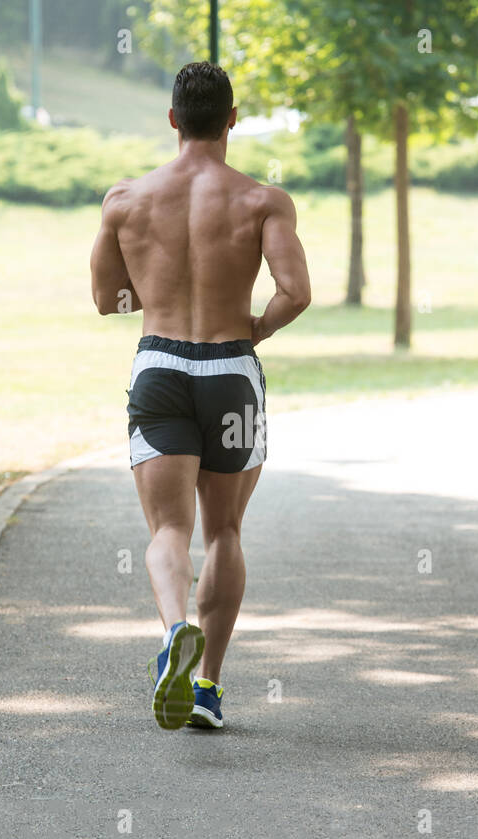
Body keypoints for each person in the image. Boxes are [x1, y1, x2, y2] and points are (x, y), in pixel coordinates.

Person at [89, 62, 311, 731]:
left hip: (160, 365)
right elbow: (295, 291)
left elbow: (106, 300)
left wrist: (159, 295)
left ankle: (172, 631)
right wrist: (257, 326)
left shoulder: (126, 201)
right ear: (232, 120)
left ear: (172, 120)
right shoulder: (262, 200)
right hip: (230, 371)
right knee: (225, 531)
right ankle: (208, 685)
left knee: (168, 530)